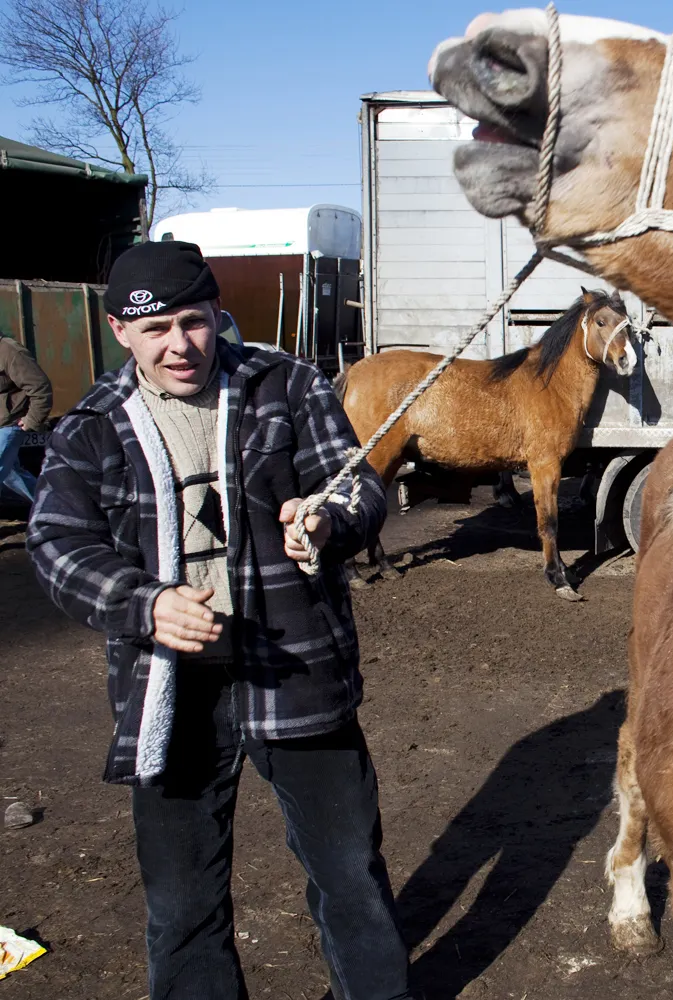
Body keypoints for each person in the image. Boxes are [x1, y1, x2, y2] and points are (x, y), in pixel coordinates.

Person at [26, 241, 412, 1000]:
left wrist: (328, 518)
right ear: (119, 331)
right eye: (159, 328)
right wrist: (145, 603)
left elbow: (356, 485)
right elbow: (55, 543)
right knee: (182, 904)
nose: (181, 345)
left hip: (298, 670)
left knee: (351, 877)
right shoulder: (94, 427)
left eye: (196, 323)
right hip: (171, 693)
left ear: (216, 316)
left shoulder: (287, 385)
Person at [0, 329, 53, 505]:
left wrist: (32, 420)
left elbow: (40, 387)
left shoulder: (9, 351)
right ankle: (54, 507)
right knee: (12, 475)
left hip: (7, 425)